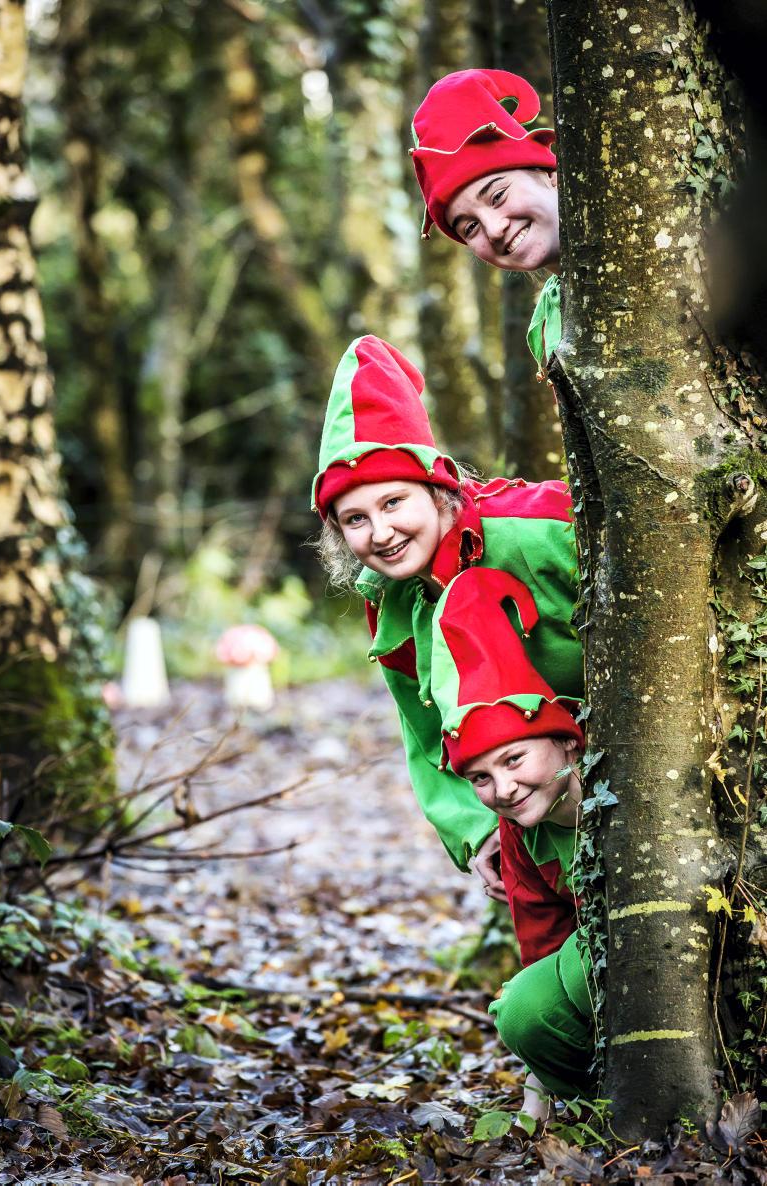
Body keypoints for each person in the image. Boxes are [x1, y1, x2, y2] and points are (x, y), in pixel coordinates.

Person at [312, 333, 582, 898]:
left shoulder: (538, 528)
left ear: (437, 492)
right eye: (355, 519)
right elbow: (426, 728)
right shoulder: (389, 602)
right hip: (535, 815)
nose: (381, 533)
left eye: (393, 502)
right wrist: (477, 829)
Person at [430, 565, 595, 1120]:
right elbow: (541, 944)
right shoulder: (519, 836)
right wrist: (537, 1076)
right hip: (593, 968)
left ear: (567, 742)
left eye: (515, 759)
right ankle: (599, 1101)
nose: (503, 789)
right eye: (480, 777)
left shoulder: (627, 791)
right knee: (521, 1009)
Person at [409, 68, 562, 376]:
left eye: (497, 196)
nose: (494, 229)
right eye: (470, 228)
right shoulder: (554, 320)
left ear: (549, 175)